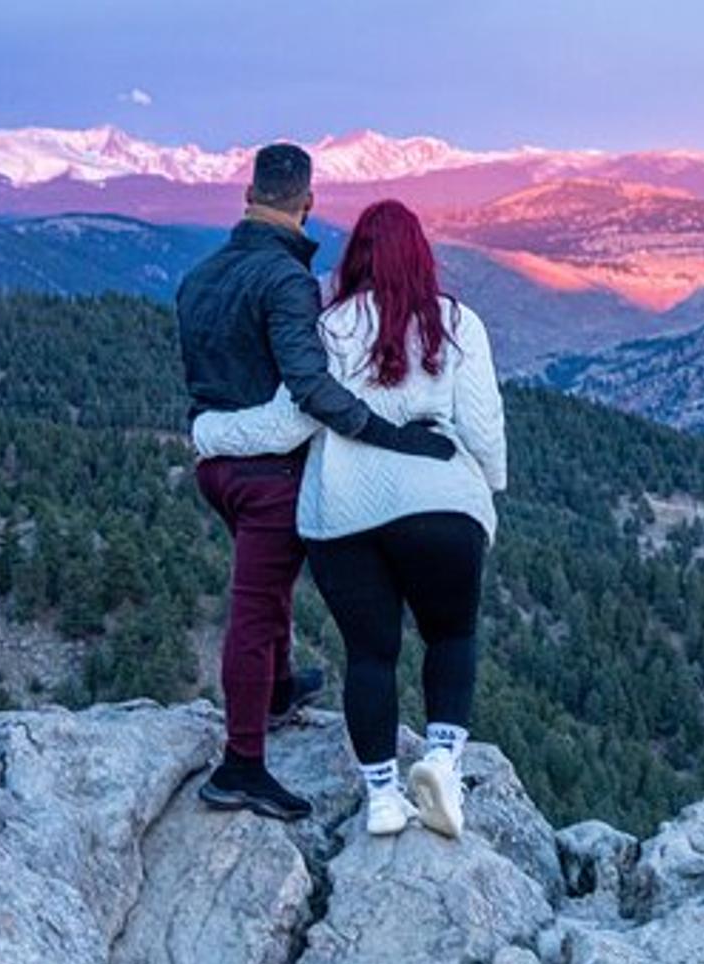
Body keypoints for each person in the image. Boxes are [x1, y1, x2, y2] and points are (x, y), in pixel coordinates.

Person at [195, 199, 507, 839]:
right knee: (451, 637)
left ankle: (384, 799)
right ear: (423, 255)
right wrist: (487, 487)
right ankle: (444, 761)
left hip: (345, 512)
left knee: (370, 656)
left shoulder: (330, 326)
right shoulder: (456, 323)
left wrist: (210, 431)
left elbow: (290, 421)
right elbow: (483, 427)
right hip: (441, 506)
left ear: (354, 257)